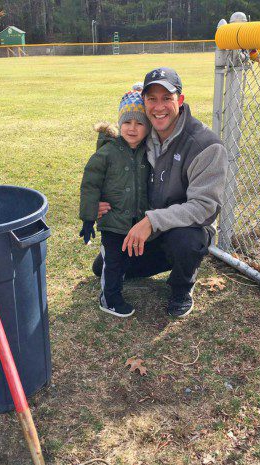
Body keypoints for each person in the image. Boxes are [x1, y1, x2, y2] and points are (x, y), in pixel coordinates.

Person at [93, 67, 228, 318]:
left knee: (185, 243)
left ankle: (181, 289)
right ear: (143, 102)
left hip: (184, 229)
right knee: (100, 268)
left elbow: (204, 207)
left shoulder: (206, 145)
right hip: (147, 230)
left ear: (180, 100)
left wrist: (153, 221)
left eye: (167, 98)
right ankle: (150, 258)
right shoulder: (140, 135)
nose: (159, 107)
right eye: (151, 99)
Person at [79, 90, 151, 317]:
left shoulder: (149, 152)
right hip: (112, 222)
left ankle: (117, 284)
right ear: (119, 123)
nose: (132, 128)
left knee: (125, 259)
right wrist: (89, 218)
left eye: (139, 123)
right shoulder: (107, 153)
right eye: (127, 122)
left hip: (136, 222)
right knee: (112, 261)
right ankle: (109, 298)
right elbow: (90, 185)